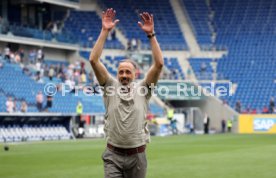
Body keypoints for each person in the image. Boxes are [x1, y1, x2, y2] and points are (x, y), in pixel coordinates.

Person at [90, 8, 163, 178]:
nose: (124, 75)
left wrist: (151, 35)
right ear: (117, 73)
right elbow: (93, 60)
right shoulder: (109, 86)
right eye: (121, 72)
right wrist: (104, 31)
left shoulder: (144, 89)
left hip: (137, 156)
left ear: (135, 74)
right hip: (113, 155)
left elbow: (159, 64)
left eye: (127, 72)